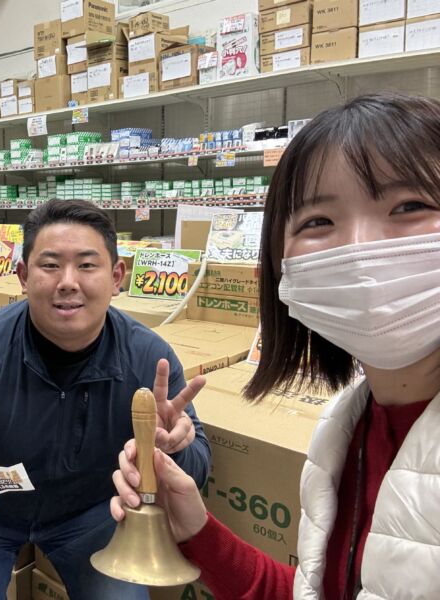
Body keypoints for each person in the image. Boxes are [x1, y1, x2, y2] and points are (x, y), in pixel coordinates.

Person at [111, 92, 440, 599]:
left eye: (410, 206)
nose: (360, 249)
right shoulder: (345, 424)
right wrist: (196, 531)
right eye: (318, 222)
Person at [0, 199, 211, 600]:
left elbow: (198, 469)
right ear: (23, 276)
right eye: (50, 265)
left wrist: (173, 450)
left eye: (87, 265)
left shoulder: (149, 360)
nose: (68, 282)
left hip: (91, 512)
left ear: (116, 277)